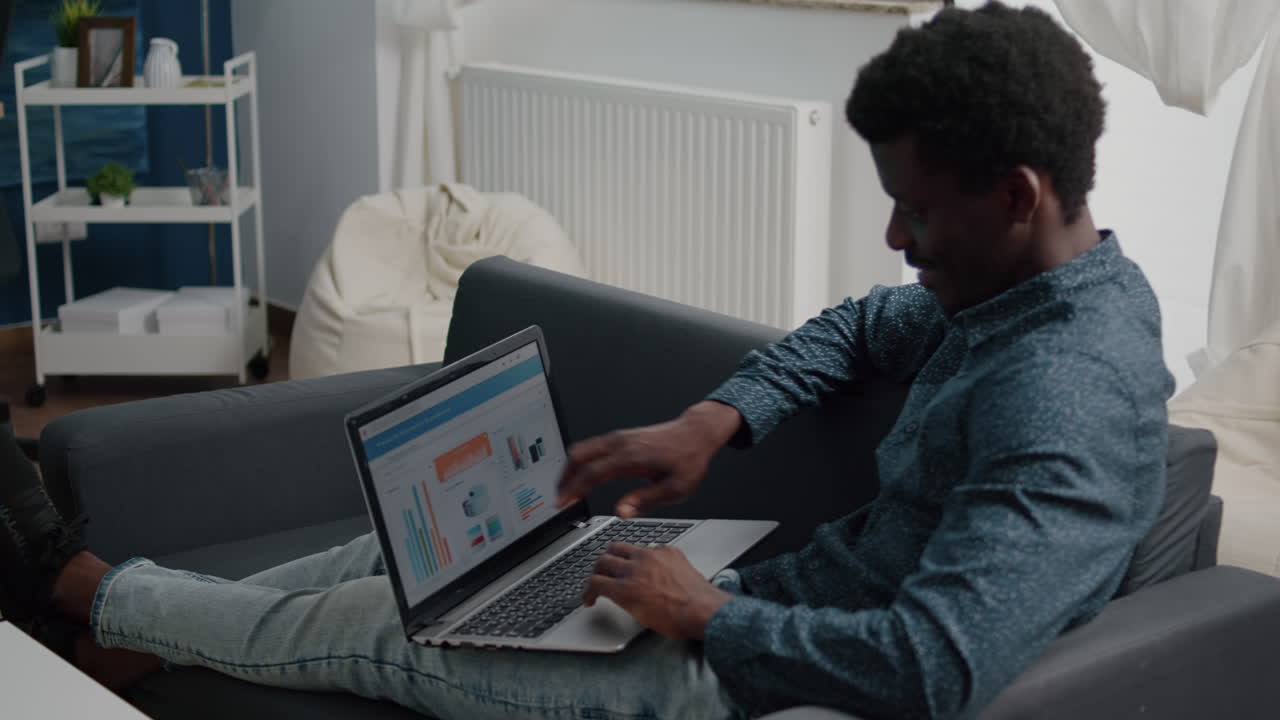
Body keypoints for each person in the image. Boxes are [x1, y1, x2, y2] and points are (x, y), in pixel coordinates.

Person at [0, 3, 1173, 719]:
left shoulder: (1058, 396)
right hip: (742, 610)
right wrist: (716, 420)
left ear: (1017, 196)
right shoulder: (1020, 294)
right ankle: (135, 642)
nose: (892, 239)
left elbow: (934, 667)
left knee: (381, 622)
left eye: (913, 211)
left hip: (721, 682)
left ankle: (74, 583)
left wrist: (704, 614)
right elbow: (858, 326)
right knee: (414, 552)